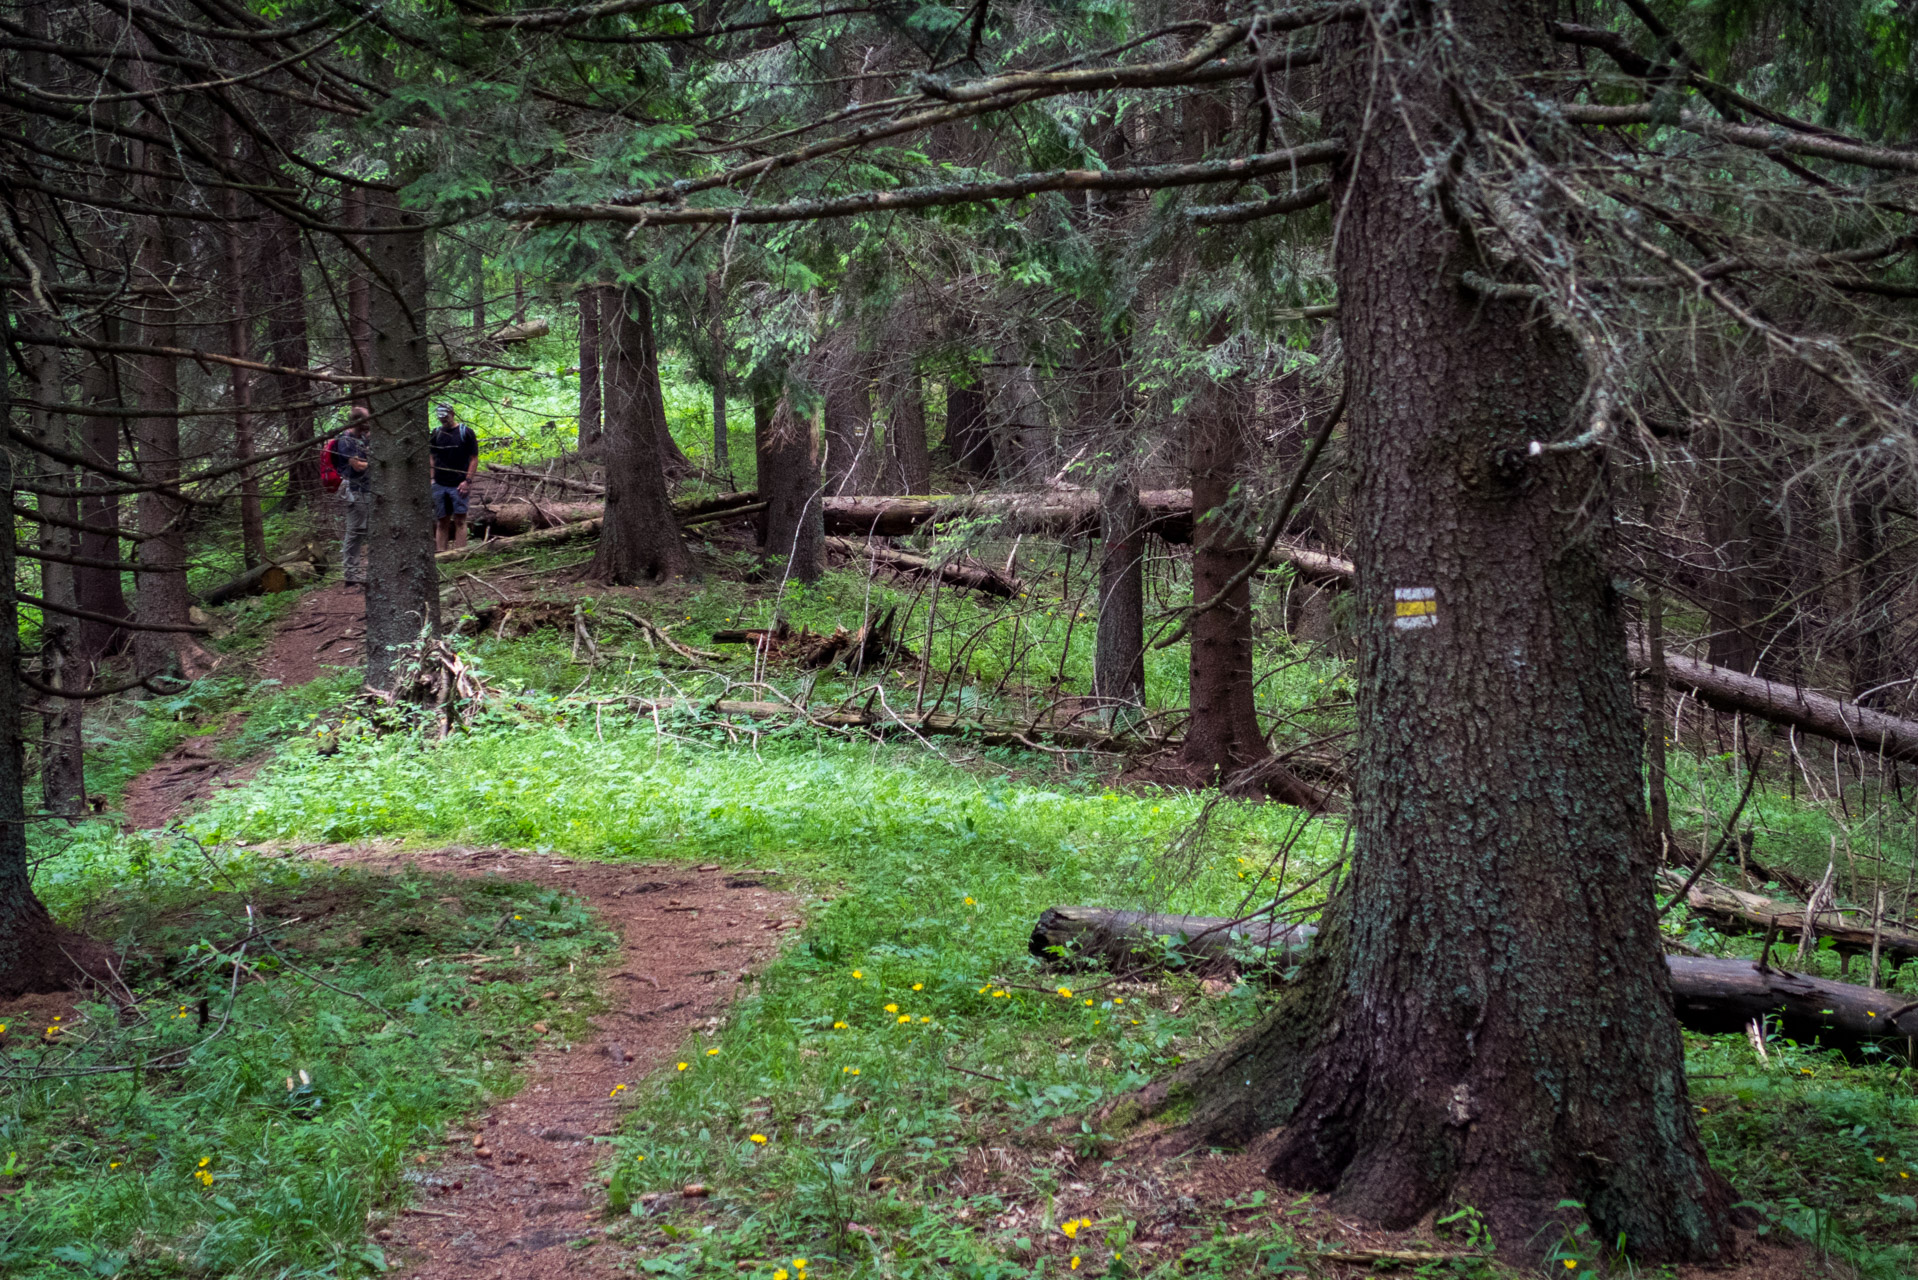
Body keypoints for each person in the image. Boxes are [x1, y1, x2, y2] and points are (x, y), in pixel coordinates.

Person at [430, 403, 480, 552]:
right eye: (441, 419)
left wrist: (468, 481)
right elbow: (431, 456)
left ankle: (459, 554)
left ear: (452, 414)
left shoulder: (466, 432)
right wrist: (432, 479)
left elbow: (474, 458)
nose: (444, 421)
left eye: (446, 418)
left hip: (459, 484)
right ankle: (441, 553)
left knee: (460, 520)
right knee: (441, 521)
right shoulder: (436, 433)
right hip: (439, 483)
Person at [335, 405, 372, 588]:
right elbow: (357, 466)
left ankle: (364, 570)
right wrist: (379, 463)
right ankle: (351, 573)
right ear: (359, 421)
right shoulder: (346, 441)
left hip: (368, 489)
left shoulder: (364, 438)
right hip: (354, 489)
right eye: (366, 419)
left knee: (368, 529)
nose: (369, 422)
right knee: (355, 531)